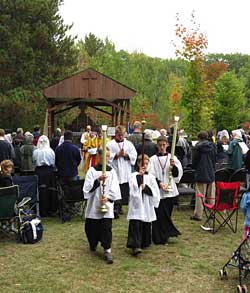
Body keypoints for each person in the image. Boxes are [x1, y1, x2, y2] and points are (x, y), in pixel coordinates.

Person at [83, 148, 121, 264]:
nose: (107, 159)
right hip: (94, 204)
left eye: (108, 156)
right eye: (104, 156)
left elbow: (115, 188)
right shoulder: (92, 171)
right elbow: (87, 189)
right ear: (98, 156)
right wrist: (97, 180)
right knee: (92, 228)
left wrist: (108, 198)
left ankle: (107, 249)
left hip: (106, 205)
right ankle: (93, 243)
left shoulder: (112, 172)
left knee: (106, 228)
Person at [149, 135, 183, 245]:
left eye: (164, 145)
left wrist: (174, 167)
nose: (162, 147)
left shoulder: (172, 158)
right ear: (157, 146)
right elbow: (151, 174)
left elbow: (177, 175)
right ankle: (158, 237)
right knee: (159, 215)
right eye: (160, 145)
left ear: (167, 145)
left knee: (167, 214)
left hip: (170, 190)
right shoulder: (153, 159)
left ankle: (165, 235)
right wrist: (159, 184)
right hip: (159, 190)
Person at [127, 154, 160, 255]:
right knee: (136, 223)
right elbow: (133, 188)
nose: (144, 166)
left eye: (146, 164)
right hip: (137, 204)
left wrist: (145, 188)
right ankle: (135, 245)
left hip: (146, 203)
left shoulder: (151, 177)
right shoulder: (133, 175)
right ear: (138, 164)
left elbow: (155, 191)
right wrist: (139, 178)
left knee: (146, 222)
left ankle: (144, 241)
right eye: (142, 164)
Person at [107, 125, 137, 218]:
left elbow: (134, 155)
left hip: (125, 170)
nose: (120, 137)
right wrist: (116, 155)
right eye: (119, 135)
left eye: (122, 135)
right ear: (115, 134)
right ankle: (115, 206)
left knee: (124, 188)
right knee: (115, 188)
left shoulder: (129, 144)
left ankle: (120, 207)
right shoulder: (110, 144)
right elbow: (107, 155)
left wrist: (126, 155)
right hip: (115, 169)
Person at [191, 131, 216, 221]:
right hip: (211, 172)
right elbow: (214, 159)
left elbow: (194, 161)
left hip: (201, 172)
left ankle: (198, 214)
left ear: (199, 138)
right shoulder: (213, 146)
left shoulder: (197, 148)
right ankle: (212, 212)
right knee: (211, 195)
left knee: (200, 195)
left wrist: (194, 168)